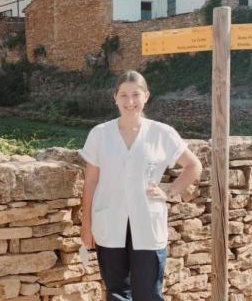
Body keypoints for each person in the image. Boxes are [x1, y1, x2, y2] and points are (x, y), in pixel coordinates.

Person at [79, 70, 203, 300]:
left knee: (148, 293)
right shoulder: (100, 134)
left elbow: (194, 166)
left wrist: (169, 191)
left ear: (146, 96)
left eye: (136, 95)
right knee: (116, 293)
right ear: (114, 97)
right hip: (109, 221)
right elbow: (91, 181)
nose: (130, 101)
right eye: (124, 95)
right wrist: (86, 225)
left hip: (147, 222)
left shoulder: (161, 133)